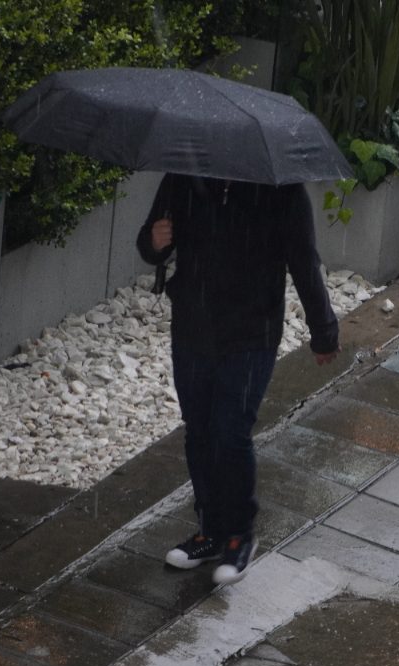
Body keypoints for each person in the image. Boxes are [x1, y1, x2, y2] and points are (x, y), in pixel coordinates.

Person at [137, 174, 340, 585]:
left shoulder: (283, 190)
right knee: (199, 430)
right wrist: (155, 242)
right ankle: (210, 530)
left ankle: (239, 535)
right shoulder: (184, 177)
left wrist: (324, 330)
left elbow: (303, 258)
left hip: (252, 331)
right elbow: (151, 243)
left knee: (230, 432)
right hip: (193, 324)